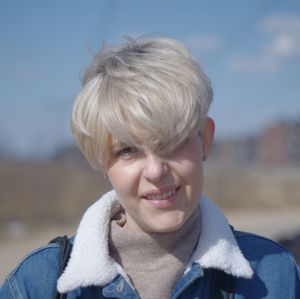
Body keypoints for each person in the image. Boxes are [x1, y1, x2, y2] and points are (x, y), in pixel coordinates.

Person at [1, 36, 299, 299]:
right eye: (128, 150)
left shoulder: (272, 274)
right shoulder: (38, 284)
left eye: (173, 142)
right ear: (102, 162)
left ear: (205, 139)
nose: (156, 171)